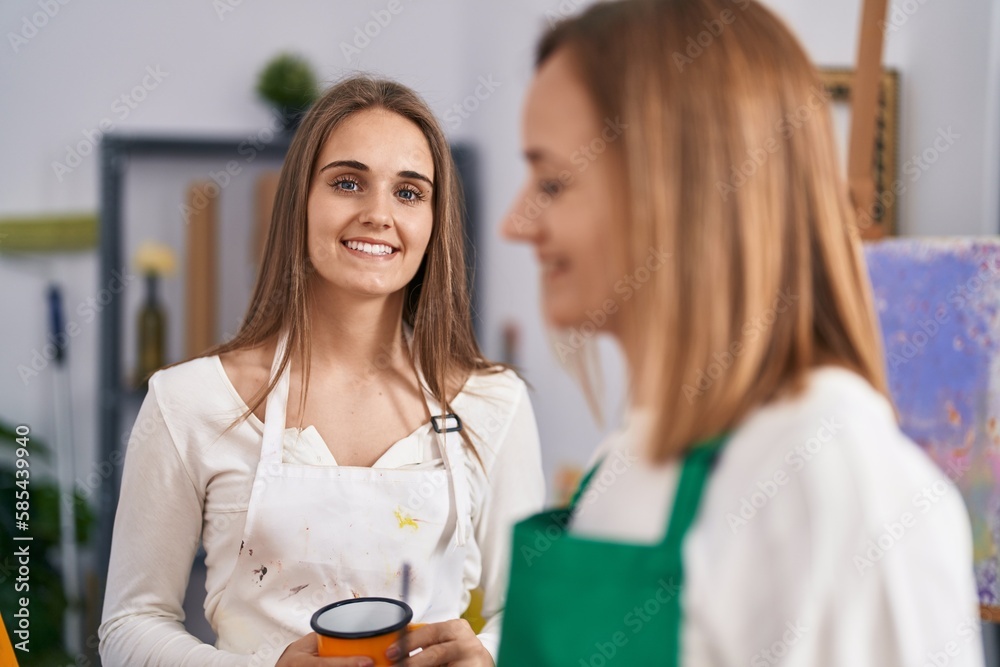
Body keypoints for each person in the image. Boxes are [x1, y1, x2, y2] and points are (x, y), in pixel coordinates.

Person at [497, 1, 983, 665]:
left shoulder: (839, 483)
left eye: (552, 181)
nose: (514, 224)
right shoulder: (625, 458)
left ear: (679, 187)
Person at [100, 76, 545, 667]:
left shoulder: (495, 403)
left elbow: (532, 618)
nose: (378, 214)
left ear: (435, 221)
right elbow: (129, 626)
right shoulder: (189, 401)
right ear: (299, 203)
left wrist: (487, 657)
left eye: (409, 193)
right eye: (347, 182)